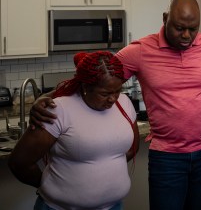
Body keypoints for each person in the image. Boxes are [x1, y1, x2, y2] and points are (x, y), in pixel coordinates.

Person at [30, 0, 201, 210]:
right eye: (179, 28)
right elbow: (96, 76)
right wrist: (48, 97)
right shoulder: (140, 51)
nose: (187, 35)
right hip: (167, 157)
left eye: (193, 28)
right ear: (165, 19)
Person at [9, 51, 139, 210]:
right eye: (105, 93)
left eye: (117, 91)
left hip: (113, 206)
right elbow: (20, 162)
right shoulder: (58, 109)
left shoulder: (124, 103)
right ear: (85, 87)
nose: (113, 99)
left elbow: (131, 148)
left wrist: (104, 167)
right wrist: (49, 187)